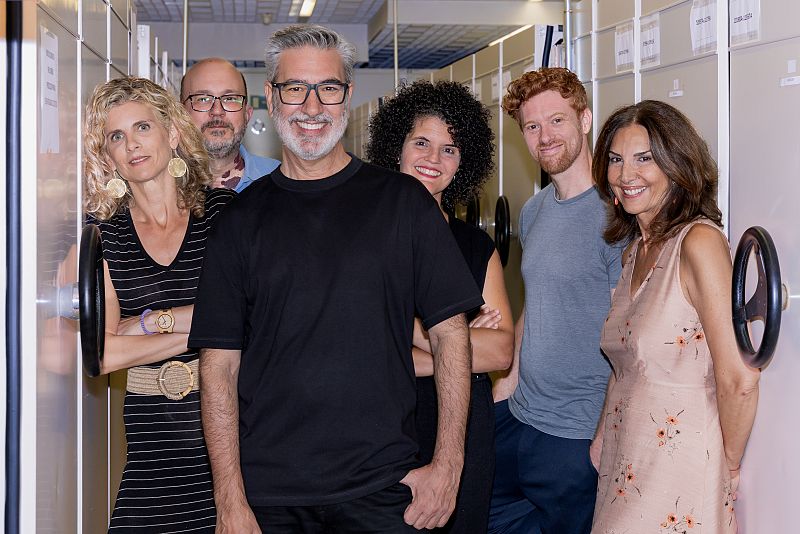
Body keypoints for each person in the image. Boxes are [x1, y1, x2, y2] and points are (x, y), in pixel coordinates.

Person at [188, 25, 482, 533]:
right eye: (294, 88)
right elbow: (219, 369)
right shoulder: (238, 221)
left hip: (385, 490)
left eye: (327, 88)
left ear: (348, 95)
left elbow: (450, 334)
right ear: (272, 98)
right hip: (269, 498)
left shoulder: (403, 204)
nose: (311, 106)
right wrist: (229, 500)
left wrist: (449, 466)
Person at [590, 100, 761, 533]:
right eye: (615, 160)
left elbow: (739, 377)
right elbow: (625, 363)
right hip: (625, 461)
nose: (626, 175)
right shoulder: (635, 251)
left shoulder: (698, 243)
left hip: (681, 466)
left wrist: (730, 467)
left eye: (644, 159)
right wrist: (600, 436)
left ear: (676, 164)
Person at [82, 76, 236, 532]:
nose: (131, 144)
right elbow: (104, 353)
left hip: (235, 433)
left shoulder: (225, 214)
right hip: (153, 448)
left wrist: (146, 323)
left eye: (142, 128)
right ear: (107, 155)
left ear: (171, 133)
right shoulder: (103, 235)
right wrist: (216, 324)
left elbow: (259, 312)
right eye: (116, 136)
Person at [366, 80, 514, 533]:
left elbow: (502, 352)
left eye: (449, 149)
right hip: (381, 431)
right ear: (397, 148)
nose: (433, 159)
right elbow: (356, 353)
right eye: (422, 143)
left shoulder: (475, 246)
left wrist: (407, 331)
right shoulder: (363, 237)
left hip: (464, 432)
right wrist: (459, 343)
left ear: (462, 164)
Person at [488, 67, 624, 534]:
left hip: (577, 430)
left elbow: (628, 340)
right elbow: (537, 304)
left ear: (585, 120)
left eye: (557, 121)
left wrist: (604, 434)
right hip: (520, 414)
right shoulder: (534, 210)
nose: (544, 136)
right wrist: (504, 389)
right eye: (531, 126)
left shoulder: (616, 216)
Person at [180, 57, 279, 191]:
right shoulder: (161, 184)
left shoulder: (280, 178)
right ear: (181, 114)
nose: (217, 111)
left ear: (247, 114)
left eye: (230, 98)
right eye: (203, 99)